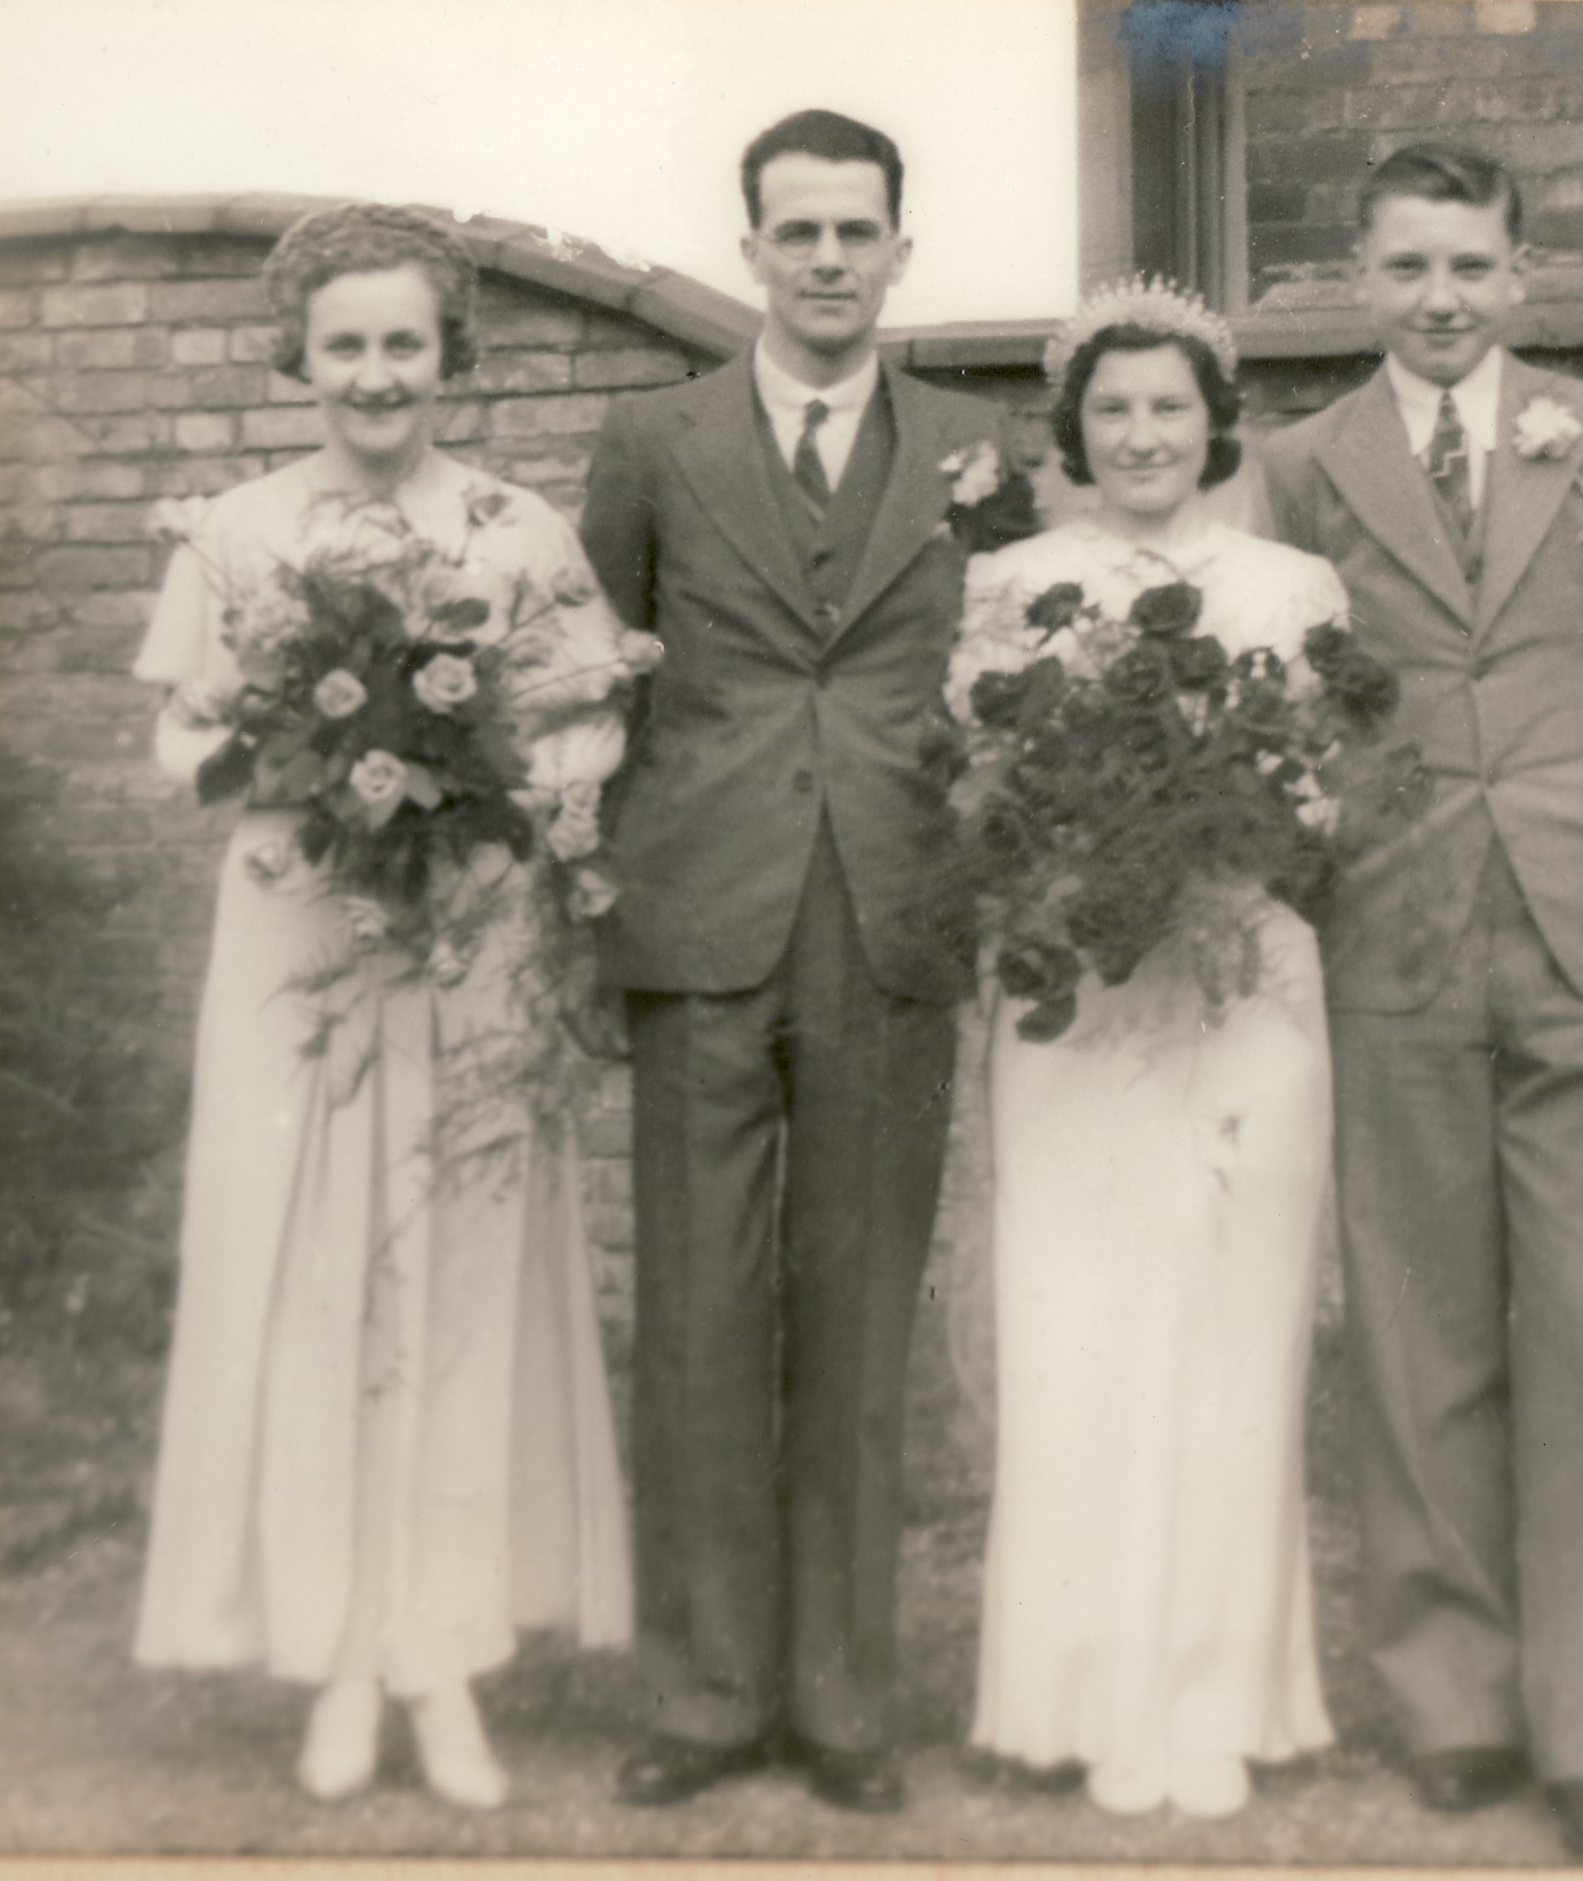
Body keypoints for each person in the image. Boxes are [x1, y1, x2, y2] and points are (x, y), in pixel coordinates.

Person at [131, 204, 634, 1811]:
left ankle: (443, 1659)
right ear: (301, 354)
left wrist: (517, 786)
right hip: (302, 945)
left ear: (450, 352)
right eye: (343, 343)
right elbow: (177, 741)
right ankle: (341, 1657)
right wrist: (288, 772)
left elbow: (586, 723)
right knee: (313, 1281)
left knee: (463, 1282)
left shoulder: (513, 528)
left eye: (403, 341)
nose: (374, 372)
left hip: (473, 937)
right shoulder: (237, 535)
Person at [1262, 143, 1583, 1866]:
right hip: (1392, 930)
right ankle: (1455, 1694)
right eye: (1406, 270)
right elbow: (1273, 699)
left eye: (1469, 266)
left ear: (1521, 274)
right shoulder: (1299, 467)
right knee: (1419, 1324)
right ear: (1358, 282)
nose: (1439, 300)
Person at [577, 110, 1012, 1816]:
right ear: (750, 247)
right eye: (798, 231)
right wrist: (589, 899)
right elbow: (589, 672)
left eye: (858, 231)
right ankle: (702, 1692)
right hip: (699, 914)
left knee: (854, 1315)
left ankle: (839, 1697)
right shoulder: (652, 436)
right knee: (695, 1310)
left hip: (892, 919)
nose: (828, 260)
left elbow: (1019, 675)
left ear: (903, 248)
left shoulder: (980, 448)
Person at [955, 283, 1341, 1820]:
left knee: (1236, 1330)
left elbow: (1332, 794)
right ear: (1074, 431)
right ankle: (1079, 1693)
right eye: (1110, 409)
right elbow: (973, 794)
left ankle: (1214, 1698)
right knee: (1084, 1321)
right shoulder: (1009, 586)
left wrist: (1234, 812)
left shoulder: (1296, 583)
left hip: (1245, 982)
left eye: (1169, 406)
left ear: (1214, 421)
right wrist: (1072, 825)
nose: (1140, 435)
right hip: (1077, 992)